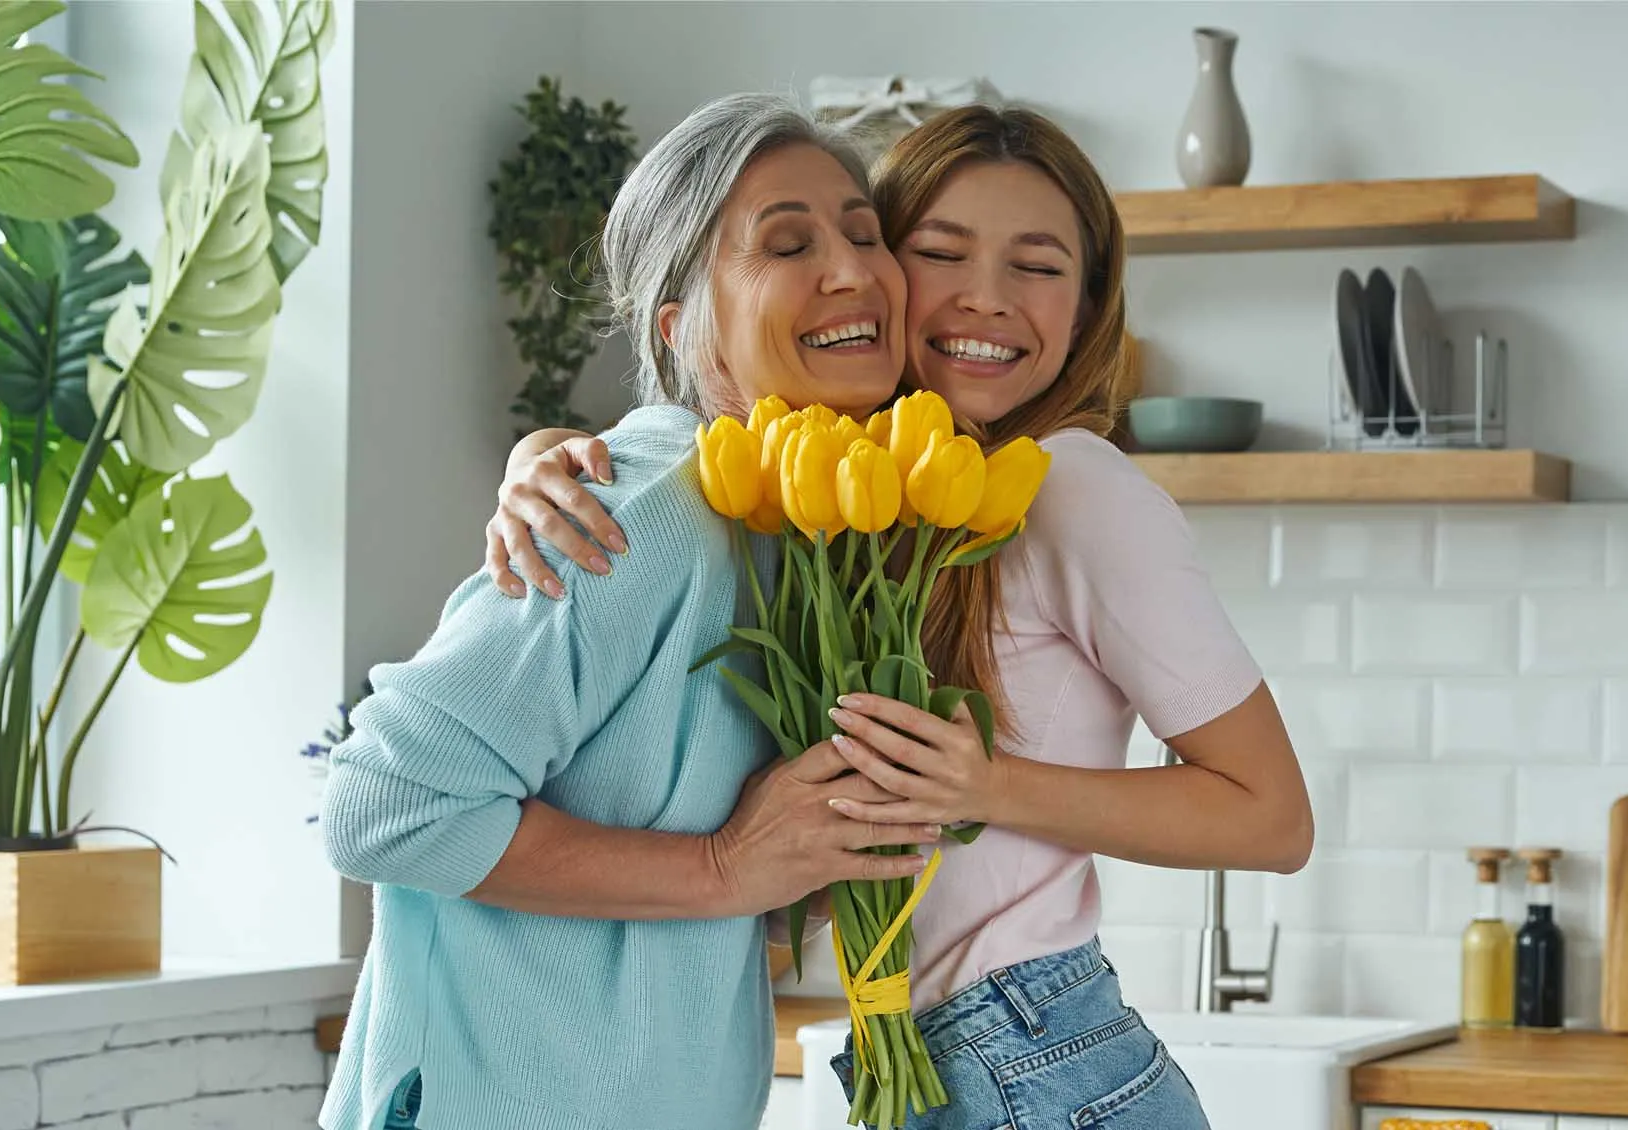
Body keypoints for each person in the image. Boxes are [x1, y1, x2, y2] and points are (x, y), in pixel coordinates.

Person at [483, 103, 1314, 1129]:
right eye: (938, 251)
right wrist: (549, 456)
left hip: (1034, 1052)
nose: (985, 299)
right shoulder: (852, 498)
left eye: (1039, 265)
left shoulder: (1071, 485)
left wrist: (985, 783)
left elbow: (1270, 815)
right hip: (923, 1060)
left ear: (1089, 304)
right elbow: (699, 425)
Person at [316, 92, 945, 1130]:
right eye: (786, 243)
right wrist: (723, 865)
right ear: (683, 330)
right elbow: (381, 801)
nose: (852, 269)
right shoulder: (645, 510)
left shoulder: (802, 536)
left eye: (864, 233)